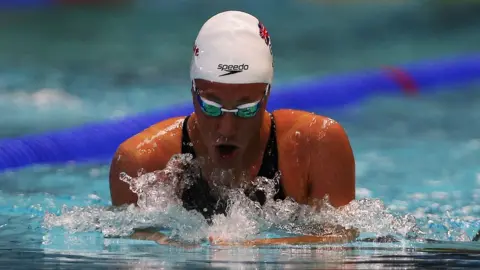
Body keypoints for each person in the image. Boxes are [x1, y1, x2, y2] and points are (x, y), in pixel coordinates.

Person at [109, 10, 356, 246]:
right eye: (211, 107)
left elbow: (341, 243)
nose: (226, 128)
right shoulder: (140, 164)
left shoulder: (316, 146)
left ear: (267, 96)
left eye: (246, 109)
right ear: (192, 93)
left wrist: (254, 247)